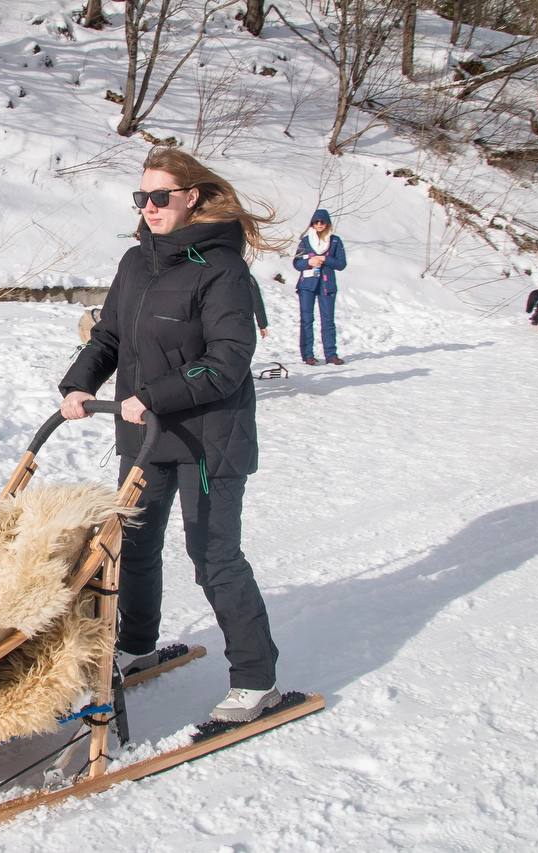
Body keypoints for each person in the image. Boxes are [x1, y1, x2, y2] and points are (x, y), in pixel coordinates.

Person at [59, 148, 283, 723]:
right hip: (145, 435)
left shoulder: (223, 269)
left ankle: (256, 680)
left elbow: (228, 359)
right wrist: (78, 385)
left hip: (208, 438)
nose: (150, 207)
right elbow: (109, 337)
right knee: (132, 545)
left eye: (161, 197)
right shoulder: (136, 263)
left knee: (213, 555)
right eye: (142, 198)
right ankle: (136, 646)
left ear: (192, 197)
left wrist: (153, 395)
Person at [292, 209, 347, 365]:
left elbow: (341, 264)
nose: (319, 224)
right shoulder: (305, 241)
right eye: (316, 222)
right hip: (307, 285)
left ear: (327, 223)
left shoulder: (335, 241)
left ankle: (331, 354)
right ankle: (307, 355)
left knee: (328, 320)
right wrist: (309, 262)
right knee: (306, 320)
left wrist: (326, 259)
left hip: (326, 285)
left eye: (322, 222)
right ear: (312, 224)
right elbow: (296, 263)